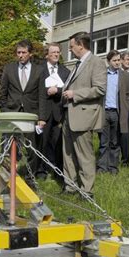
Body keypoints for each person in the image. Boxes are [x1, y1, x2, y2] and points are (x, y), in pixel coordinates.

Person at [61, 32, 107, 198]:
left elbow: (100, 89)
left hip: (83, 116)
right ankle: (70, 186)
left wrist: (75, 94)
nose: (71, 50)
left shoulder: (97, 63)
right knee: (67, 154)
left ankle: (87, 191)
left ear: (81, 45)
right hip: (68, 115)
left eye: (72, 47)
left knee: (84, 155)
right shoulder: (77, 64)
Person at [0, 39, 45, 177]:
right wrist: (5, 111)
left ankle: (30, 176)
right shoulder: (9, 68)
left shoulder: (39, 70)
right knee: (8, 146)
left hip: (31, 114)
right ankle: (7, 174)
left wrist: (41, 117)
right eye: (18, 52)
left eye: (24, 52)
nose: (20, 55)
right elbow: (3, 93)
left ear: (30, 54)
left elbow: (42, 95)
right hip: (12, 113)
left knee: (31, 148)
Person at [97, 50, 129, 175]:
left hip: (118, 113)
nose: (117, 62)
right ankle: (102, 167)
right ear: (108, 61)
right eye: (115, 60)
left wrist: (126, 107)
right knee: (103, 142)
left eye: (119, 60)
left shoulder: (126, 76)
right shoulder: (102, 75)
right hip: (104, 112)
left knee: (115, 142)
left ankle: (113, 167)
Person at [38, 43, 70, 178]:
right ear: (47, 55)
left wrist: (58, 90)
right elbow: (36, 91)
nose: (56, 54)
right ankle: (40, 170)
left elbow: (68, 89)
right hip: (43, 112)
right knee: (42, 143)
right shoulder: (39, 70)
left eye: (58, 52)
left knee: (58, 143)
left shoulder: (65, 71)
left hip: (59, 113)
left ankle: (58, 171)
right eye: (53, 52)